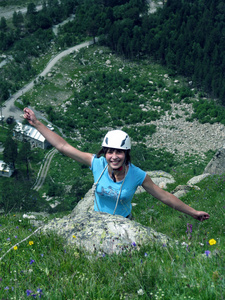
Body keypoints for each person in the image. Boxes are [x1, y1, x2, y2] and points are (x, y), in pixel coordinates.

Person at [23, 107, 210, 221]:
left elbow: (165, 197)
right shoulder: (96, 163)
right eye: (110, 151)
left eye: (119, 152)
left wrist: (192, 212)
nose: (114, 156)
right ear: (104, 152)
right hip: (97, 220)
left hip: (124, 222)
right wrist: (36, 123)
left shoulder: (137, 175)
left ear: (126, 153)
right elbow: (63, 146)